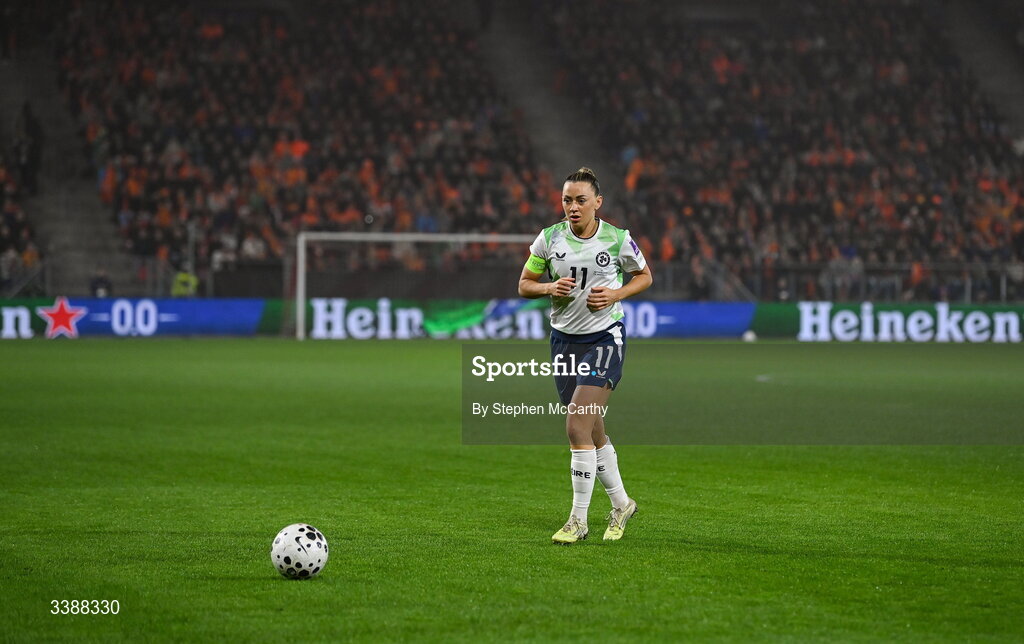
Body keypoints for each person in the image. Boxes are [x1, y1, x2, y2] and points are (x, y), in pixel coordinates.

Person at [518, 167, 653, 544]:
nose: (572, 207)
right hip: (564, 341)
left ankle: (578, 520)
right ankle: (622, 504)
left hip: (605, 339)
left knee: (577, 426)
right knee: (593, 431)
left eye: (580, 200)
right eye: (566, 200)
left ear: (598, 202)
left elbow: (645, 276)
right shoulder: (548, 239)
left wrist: (615, 294)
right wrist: (548, 287)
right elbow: (524, 284)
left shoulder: (617, 239)